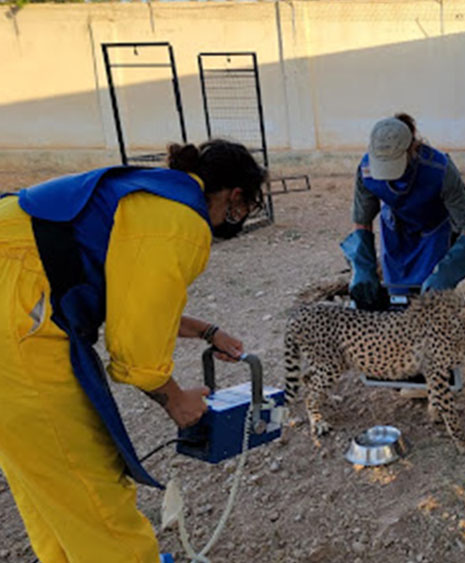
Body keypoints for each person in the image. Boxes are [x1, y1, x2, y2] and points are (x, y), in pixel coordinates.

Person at [0, 139, 266, 562]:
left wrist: (205, 330)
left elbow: (129, 295)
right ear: (235, 196)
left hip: (15, 285)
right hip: (14, 321)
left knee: (51, 489)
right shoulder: (182, 220)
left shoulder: (153, 192)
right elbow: (137, 347)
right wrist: (176, 401)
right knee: (92, 490)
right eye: (244, 207)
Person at [342, 113, 465, 310]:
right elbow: (362, 222)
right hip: (395, 231)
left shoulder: (439, 169)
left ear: (412, 149)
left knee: (433, 299)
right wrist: (362, 269)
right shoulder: (366, 170)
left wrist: (446, 274)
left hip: (433, 231)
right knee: (397, 298)